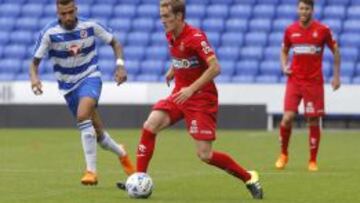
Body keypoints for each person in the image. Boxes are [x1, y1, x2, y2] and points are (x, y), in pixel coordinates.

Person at [118, 0, 263, 199]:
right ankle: (139, 178)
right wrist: (173, 70)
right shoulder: (170, 34)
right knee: (150, 125)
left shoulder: (196, 37)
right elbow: (182, 56)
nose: (163, 21)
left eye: (166, 17)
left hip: (201, 98)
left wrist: (191, 88)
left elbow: (215, 68)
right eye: (161, 16)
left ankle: (248, 177)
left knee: (205, 155)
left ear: (179, 17)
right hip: (181, 94)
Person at [29, 0, 135, 185]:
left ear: (76, 9)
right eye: (63, 14)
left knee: (82, 115)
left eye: (71, 12)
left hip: (90, 77)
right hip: (68, 88)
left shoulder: (90, 25)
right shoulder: (49, 33)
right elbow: (34, 63)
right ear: (57, 12)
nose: (68, 17)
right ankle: (122, 153)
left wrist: (120, 66)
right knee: (99, 135)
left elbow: (116, 43)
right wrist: (34, 79)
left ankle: (91, 172)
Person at [275, 0, 341, 172]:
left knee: (313, 119)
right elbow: (284, 50)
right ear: (298, 9)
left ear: (312, 10)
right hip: (295, 81)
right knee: (287, 118)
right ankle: (283, 154)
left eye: (306, 9)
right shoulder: (290, 30)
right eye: (301, 8)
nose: (303, 11)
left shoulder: (323, 30)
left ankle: (312, 160)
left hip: (313, 83)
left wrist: (336, 76)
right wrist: (284, 66)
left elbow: (336, 51)